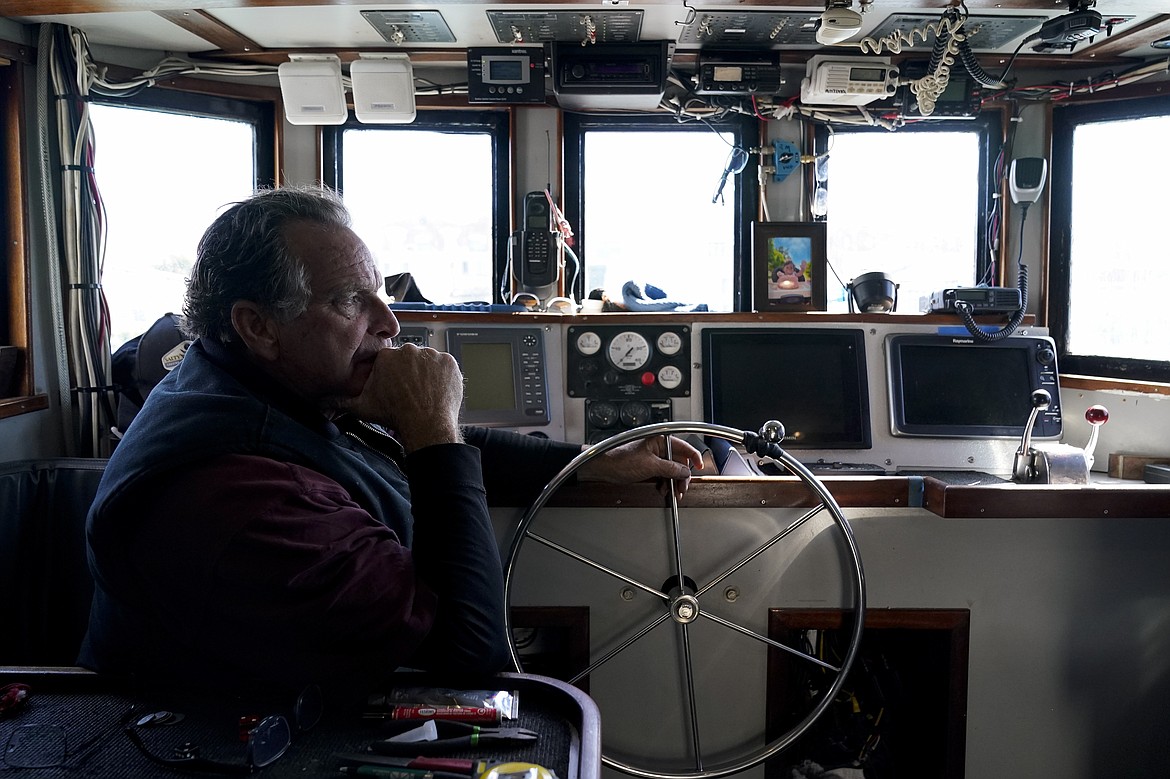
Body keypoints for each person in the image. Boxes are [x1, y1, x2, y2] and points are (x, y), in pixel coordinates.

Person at [78, 186, 701, 702]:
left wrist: (598, 462)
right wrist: (431, 429)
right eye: (351, 299)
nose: (391, 321)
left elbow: (434, 444)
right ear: (259, 325)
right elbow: (467, 657)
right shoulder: (240, 496)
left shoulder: (256, 384)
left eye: (381, 291)